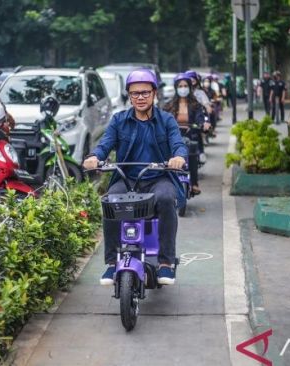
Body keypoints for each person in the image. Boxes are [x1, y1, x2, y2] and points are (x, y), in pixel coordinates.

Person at [83, 69, 187, 286]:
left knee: (167, 199)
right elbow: (105, 144)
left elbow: (178, 143)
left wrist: (178, 157)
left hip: (159, 178)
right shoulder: (119, 120)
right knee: (110, 200)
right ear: (129, 96)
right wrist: (94, 157)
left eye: (145, 93)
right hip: (127, 179)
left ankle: (165, 263)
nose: (140, 97)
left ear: (154, 93)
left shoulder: (166, 120)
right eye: (135, 93)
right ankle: (112, 263)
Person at [163, 73, 208, 195]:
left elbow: (201, 119)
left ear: (189, 87)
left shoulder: (196, 105)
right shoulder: (168, 106)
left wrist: (204, 125)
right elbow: (162, 119)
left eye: (185, 86)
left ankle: (194, 183)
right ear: (176, 88)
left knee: (192, 156)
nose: (183, 88)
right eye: (180, 86)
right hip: (173, 138)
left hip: (191, 137)